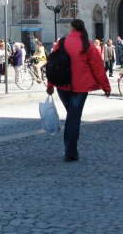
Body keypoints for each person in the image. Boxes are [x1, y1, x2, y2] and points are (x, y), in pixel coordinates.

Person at [45, 19, 111, 161]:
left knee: (71, 116)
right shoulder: (88, 45)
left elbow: (52, 65)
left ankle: (69, 150)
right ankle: (70, 152)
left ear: (72, 28)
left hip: (62, 85)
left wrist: (50, 85)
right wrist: (106, 87)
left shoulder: (61, 43)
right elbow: (98, 69)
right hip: (80, 88)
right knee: (74, 117)